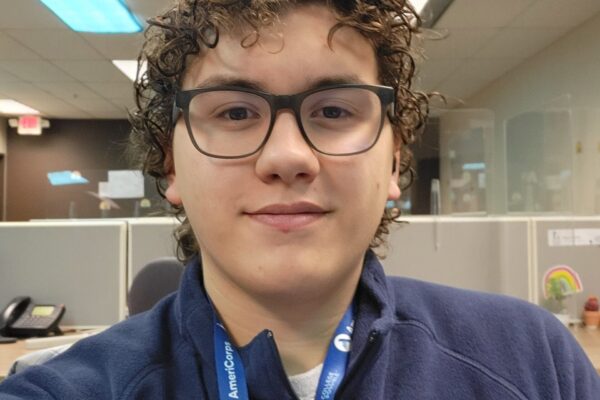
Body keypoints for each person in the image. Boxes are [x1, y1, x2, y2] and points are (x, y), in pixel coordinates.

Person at [1, 0, 599, 399]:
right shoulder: (64, 390)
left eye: (334, 110)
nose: (288, 156)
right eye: (234, 112)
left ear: (394, 158)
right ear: (169, 163)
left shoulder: (530, 361)